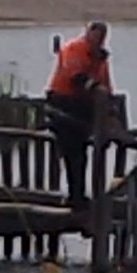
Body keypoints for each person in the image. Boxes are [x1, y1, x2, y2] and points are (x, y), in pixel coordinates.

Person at [45, 21, 113, 208]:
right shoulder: (74, 48)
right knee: (72, 152)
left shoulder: (100, 59)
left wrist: (110, 105)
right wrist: (97, 88)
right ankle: (75, 196)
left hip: (83, 109)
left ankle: (79, 195)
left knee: (80, 154)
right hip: (63, 104)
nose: (97, 40)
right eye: (95, 35)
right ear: (88, 33)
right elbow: (75, 76)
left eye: (101, 36)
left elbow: (106, 86)